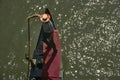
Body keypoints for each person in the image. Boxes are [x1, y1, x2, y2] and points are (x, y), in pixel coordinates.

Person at [26, 13, 57, 80]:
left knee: (51, 43)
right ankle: (49, 46)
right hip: (45, 33)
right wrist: (30, 17)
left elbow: (52, 32)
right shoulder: (42, 18)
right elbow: (36, 15)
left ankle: (54, 49)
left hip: (49, 34)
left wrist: (51, 38)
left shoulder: (50, 24)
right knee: (45, 41)